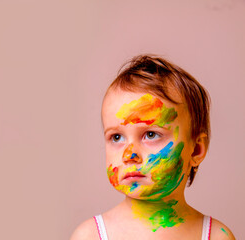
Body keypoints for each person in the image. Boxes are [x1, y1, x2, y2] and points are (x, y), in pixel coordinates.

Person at [70, 55, 236, 240]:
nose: (129, 154)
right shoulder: (90, 235)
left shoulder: (215, 236)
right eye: (116, 137)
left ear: (196, 150)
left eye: (150, 134)